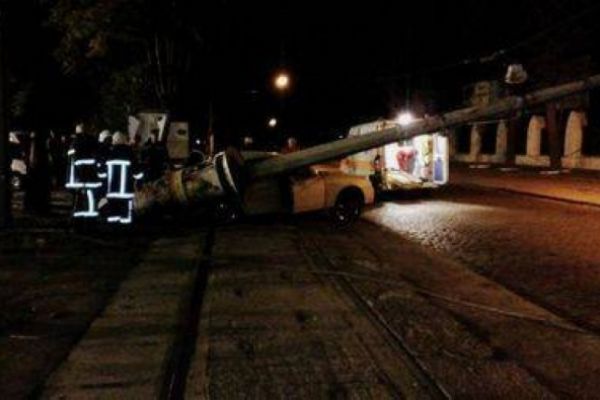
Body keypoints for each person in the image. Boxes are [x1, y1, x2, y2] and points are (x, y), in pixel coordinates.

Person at [102, 131, 144, 225]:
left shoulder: (109, 154)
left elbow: (103, 173)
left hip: (112, 192)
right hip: (126, 192)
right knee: (125, 216)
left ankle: (113, 228)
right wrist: (139, 182)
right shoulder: (130, 154)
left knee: (113, 214)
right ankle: (125, 228)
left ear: (113, 141)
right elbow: (137, 172)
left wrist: (103, 186)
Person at [66, 124, 101, 221]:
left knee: (78, 201)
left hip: (77, 179)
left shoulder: (74, 144)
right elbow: (98, 159)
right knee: (91, 200)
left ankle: (77, 220)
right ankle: (90, 219)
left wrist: (70, 181)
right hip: (91, 178)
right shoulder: (93, 143)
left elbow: (70, 162)